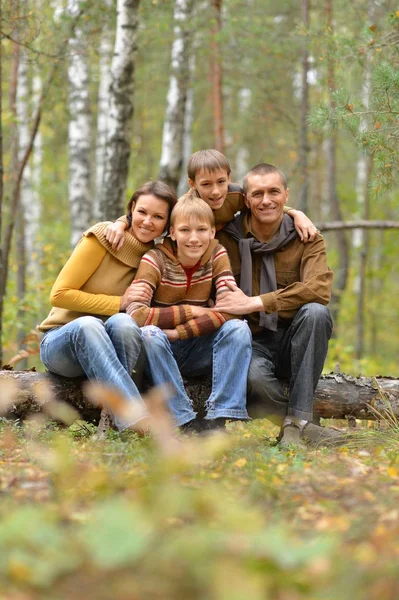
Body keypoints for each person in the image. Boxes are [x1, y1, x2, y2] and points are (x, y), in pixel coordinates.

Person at [215, 163, 338, 449]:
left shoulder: (307, 237)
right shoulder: (226, 237)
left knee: (317, 312)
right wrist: (123, 221)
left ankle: (296, 425)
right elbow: (187, 204)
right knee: (253, 379)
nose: (266, 200)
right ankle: (301, 424)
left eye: (274, 192)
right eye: (257, 194)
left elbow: (318, 289)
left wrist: (255, 302)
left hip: (297, 334)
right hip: (251, 339)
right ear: (246, 199)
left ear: (286, 194)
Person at [37, 181, 177, 432]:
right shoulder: (103, 237)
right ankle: (137, 418)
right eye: (142, 212)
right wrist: (119, 302)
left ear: (167, 224)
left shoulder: (155, 258)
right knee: (90, 324)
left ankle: (112, 425)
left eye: (158, 217)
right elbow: (59, 294)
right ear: (131, 208)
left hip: (108, 351)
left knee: (124, 323)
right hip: (61, 343)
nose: (147, 221)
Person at [126, 195, 252, 432]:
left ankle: (219, 417)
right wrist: (192, 311)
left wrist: (178, 332)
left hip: (197, 348)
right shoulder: (154, 259)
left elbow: (232, 309)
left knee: (239, 328)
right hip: (159, 352)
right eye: (185, 230)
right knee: (150, 334)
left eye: (201, 229)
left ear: (212, 232)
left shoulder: (217, 254)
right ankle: (182, 418)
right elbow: (136, 316)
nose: (194, 238)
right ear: (172, 232)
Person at [104, 149, 319, 261]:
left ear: (228, 177)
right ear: (193, 184)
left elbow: (266, 204)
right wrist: (121, 223)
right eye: (206, 185)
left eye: (221, 182)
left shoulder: (236, 195)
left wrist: (297, 213)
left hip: (219, 248)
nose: (215, 191)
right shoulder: (186, 207)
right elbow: (154, 216)